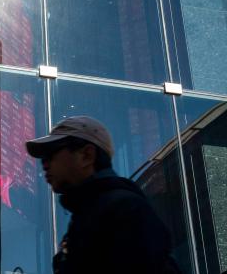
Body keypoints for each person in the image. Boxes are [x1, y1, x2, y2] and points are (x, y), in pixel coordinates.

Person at [25, 116, 182, 274]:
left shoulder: (124, 209)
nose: (44, 164)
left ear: (87, 155)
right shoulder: (91, 214)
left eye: (50, 155)